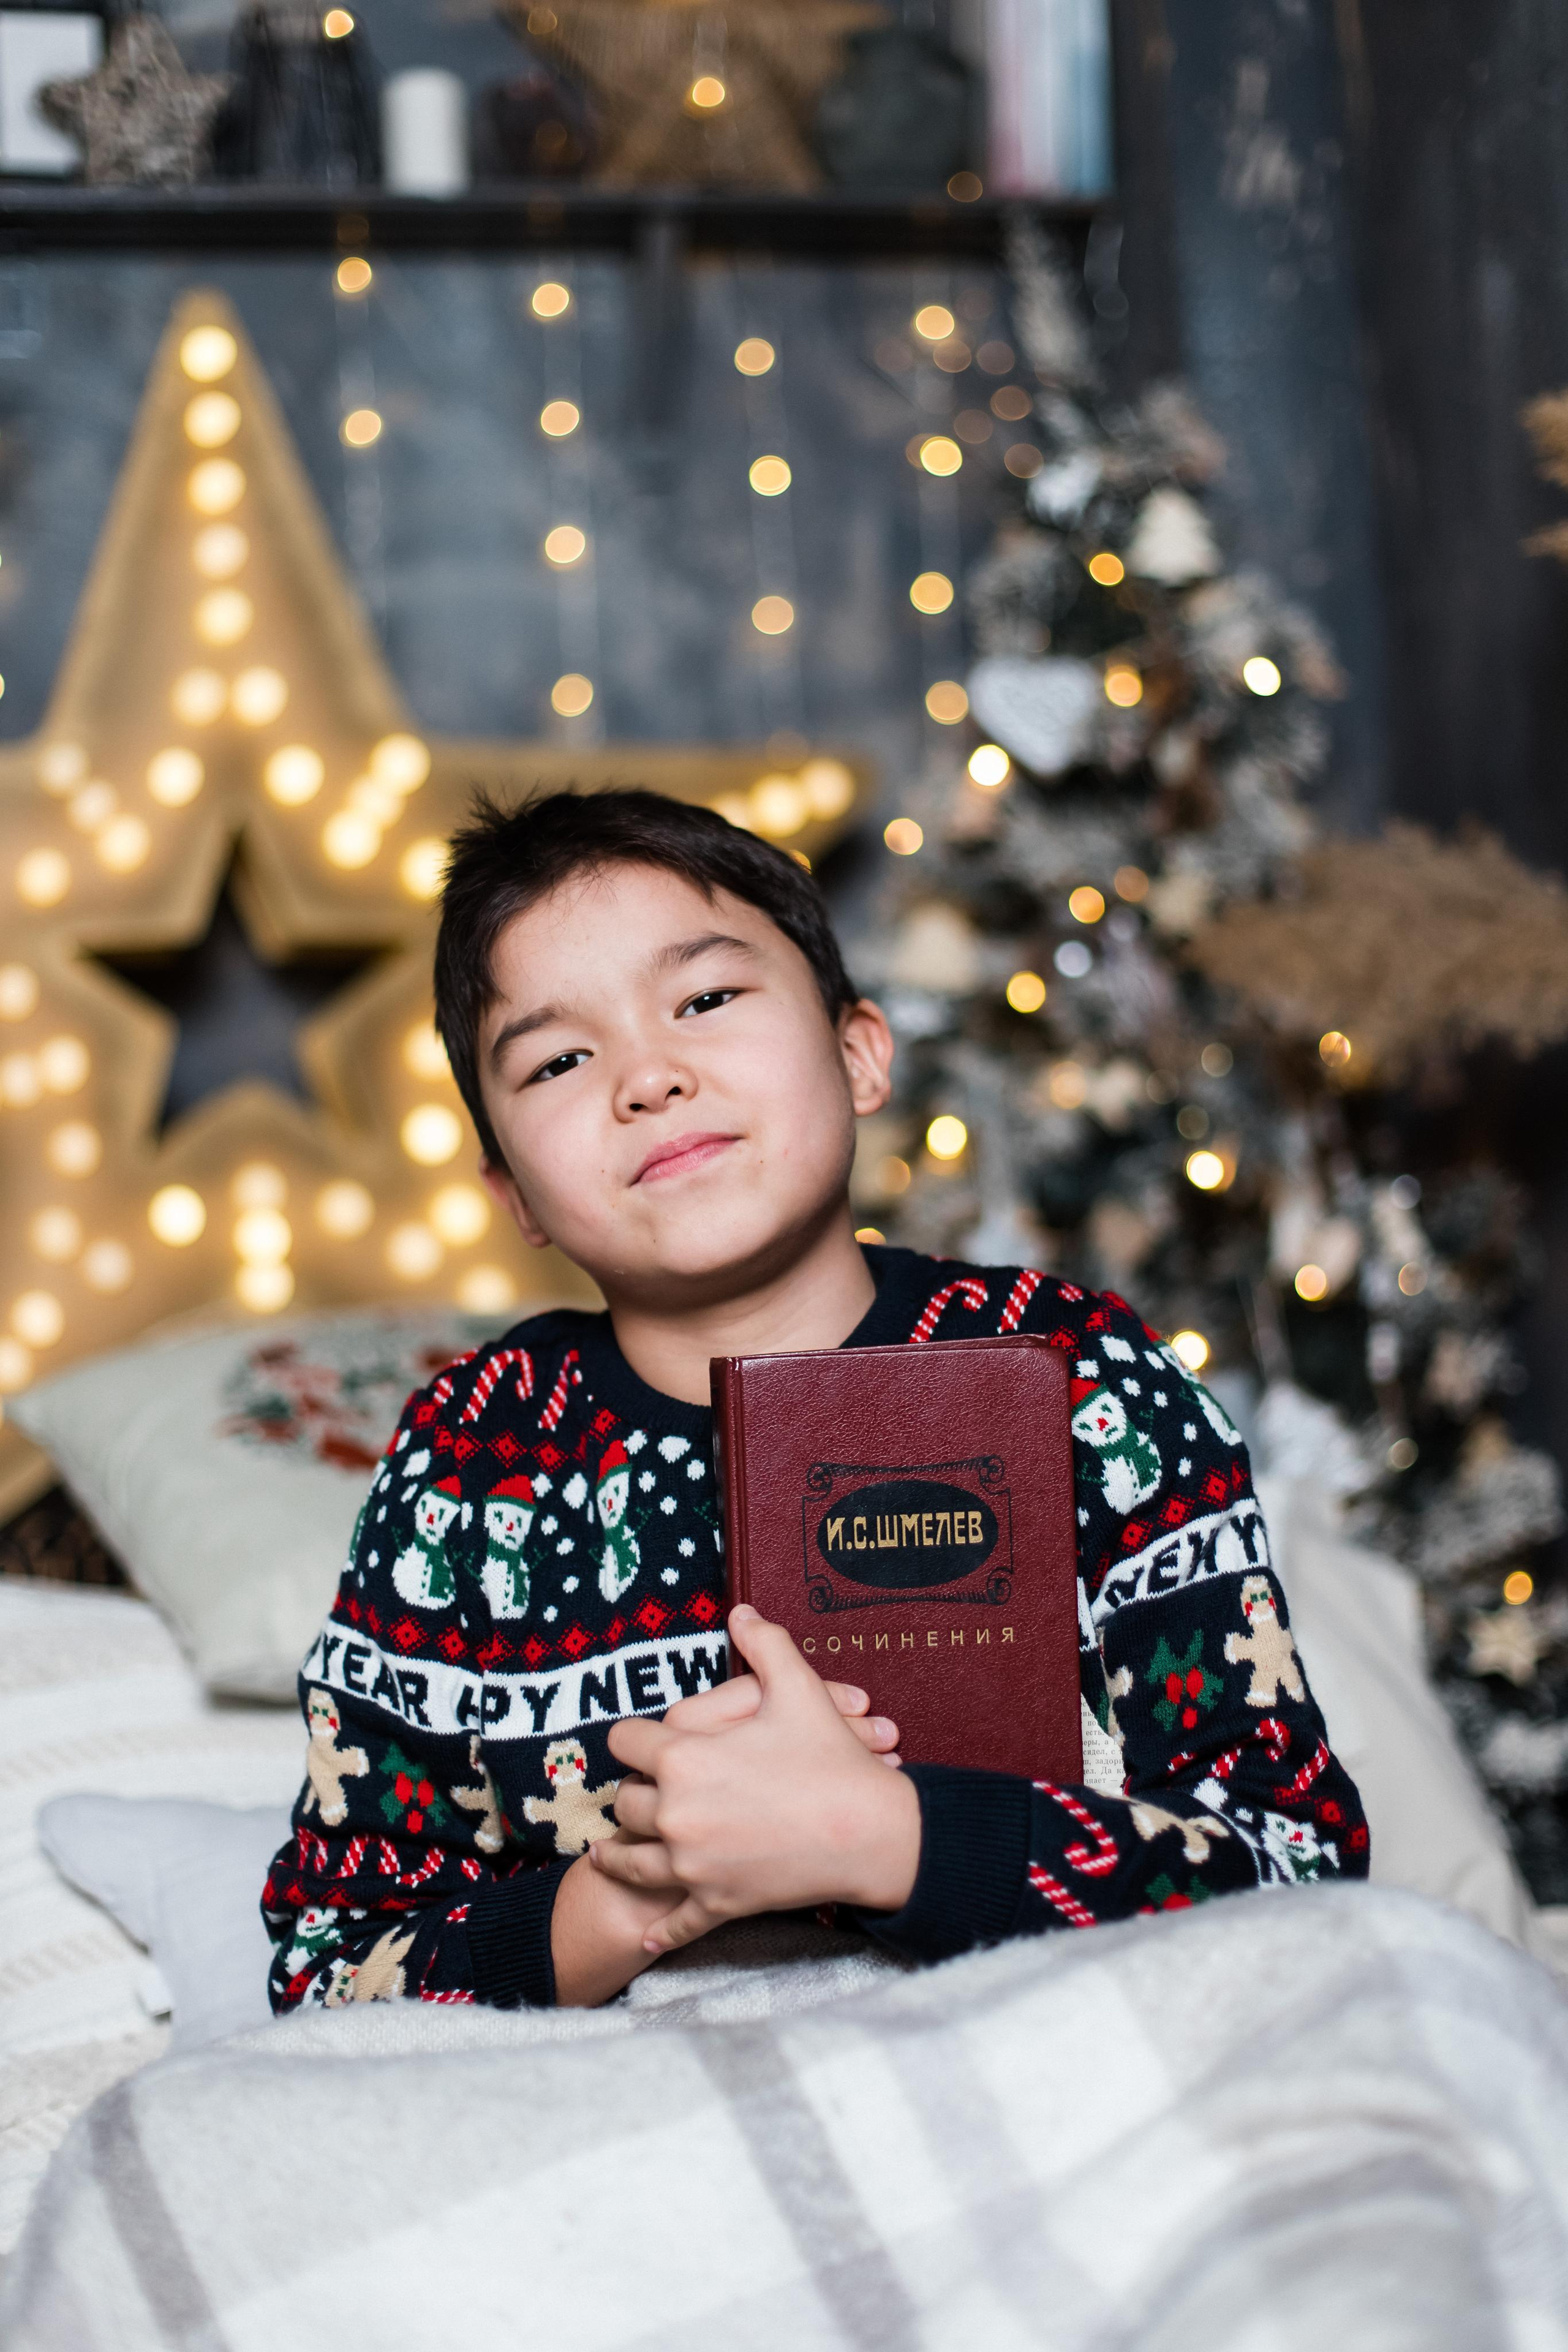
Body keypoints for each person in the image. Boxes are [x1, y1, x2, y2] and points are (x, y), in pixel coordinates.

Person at [262, 788, 1368, 2011]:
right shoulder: (472, 1462)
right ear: (511, 1192)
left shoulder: (1078, 1380)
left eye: (705, 1000)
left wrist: (877, 1839)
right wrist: (632, 1893)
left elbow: (1297, 1870)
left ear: (858, 1054)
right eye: (560, 1059)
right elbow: (325, 1975)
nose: (648, 1076)